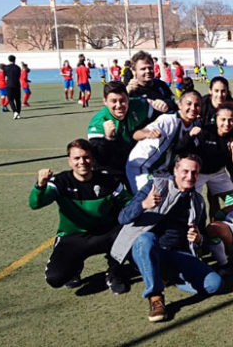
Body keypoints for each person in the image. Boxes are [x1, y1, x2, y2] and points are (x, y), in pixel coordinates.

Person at [111, 154, 221, 322]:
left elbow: (203, 238)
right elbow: (123, 218)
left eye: (194, 172)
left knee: (214, 284)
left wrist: (199, 239)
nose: (190, 176)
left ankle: (167, 276)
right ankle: (155, 296)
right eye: (185, 171)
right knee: (146, 239)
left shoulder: (197, 201)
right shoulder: (155, 185)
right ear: (175, 171)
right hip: (147, 249)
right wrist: (143, 205)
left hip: (176, 253)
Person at [29, 139, 131, 294]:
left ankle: (115, 272)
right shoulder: (60, 182)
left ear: (92, 159)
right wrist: (40, 186)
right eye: (77, 158)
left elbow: (128, 202)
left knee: (128, 230)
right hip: (74, 237)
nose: (82, 162)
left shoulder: (108, 180)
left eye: (86, 157)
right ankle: (74, 266)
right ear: (69, 161)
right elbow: (35, 204)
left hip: (106, 234)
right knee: (55, 279)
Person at [87, 81, 169, 184]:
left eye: (122, 100)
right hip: (113, 166)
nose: (119, 105)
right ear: (105, 101)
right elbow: (98, 160)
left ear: (128, 99)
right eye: (114, 101)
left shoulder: (140, 105)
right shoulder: (98, 123)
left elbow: (170, 108)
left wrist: (164, 105)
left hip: (138, 160)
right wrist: (108, 139)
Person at [126, 90, 202, 193]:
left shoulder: (195, 128)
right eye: (188, 104)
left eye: (197, 105)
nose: (193, 108)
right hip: (142, 167)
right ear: (179, 105)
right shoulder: (168, 120)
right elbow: (136, 134)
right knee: (149, 203)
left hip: (164, 172)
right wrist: (147, 134)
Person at [4, 55, 22, 119]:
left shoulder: (6, 67)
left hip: (9, 85)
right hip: (17, 84)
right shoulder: (18, 67)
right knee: (18, 100)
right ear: (15, 60)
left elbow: (5, 76)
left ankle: (14, 112)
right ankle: (18, 113)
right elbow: (19, 76)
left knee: (11, 99)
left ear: (9, 60)